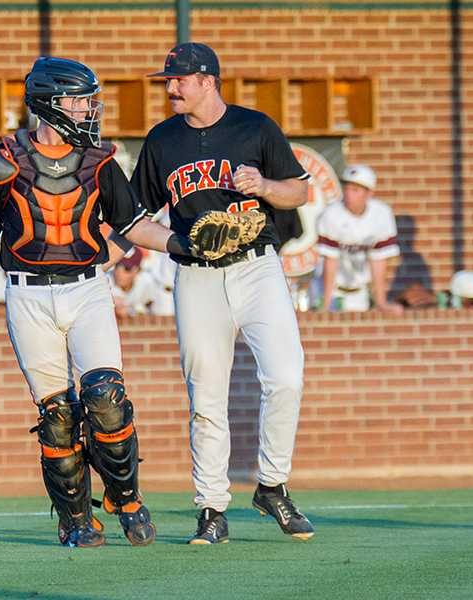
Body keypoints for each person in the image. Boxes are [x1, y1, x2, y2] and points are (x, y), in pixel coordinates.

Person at [0, 56, 219, 548]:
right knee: (56, 417)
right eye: (78, 100)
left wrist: (185, 243)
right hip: (26, 293)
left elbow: (133, 225)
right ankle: (75, 517)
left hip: (86, 287)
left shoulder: (100, 161)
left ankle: (127, 498)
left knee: (106, 398)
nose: (87, 110)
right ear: (49, 104)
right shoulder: (5, 159)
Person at [131, 42, 315, 544]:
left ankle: (272, 485)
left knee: (287, 377)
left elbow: (300, 191)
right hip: (197, 276)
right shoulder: (162, 140)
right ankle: (211, 507)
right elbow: (134, 220)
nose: (170, 88)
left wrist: (265, 185)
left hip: (258, 267)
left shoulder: (254, 127)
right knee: (205, 395)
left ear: (208, 80)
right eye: (168, 80)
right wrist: (176, 242)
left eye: (179, 80)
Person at [314, 164, 403, 314]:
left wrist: (381, 302)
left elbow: (379, 260)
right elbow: (330, 261)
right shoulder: (331, 214)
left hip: (360, 291)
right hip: (329, 289)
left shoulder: (381, 214)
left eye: (355, 190)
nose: (349, 194)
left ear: (369, 193)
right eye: (347, 188)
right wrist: (326, 304)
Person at [109, 247, 165, 317]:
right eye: (117, 266)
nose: (119, 273)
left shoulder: (147, 283)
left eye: (127, 268)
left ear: (137, 270)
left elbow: (158, 311)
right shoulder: (105, 281)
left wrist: (132, 310)